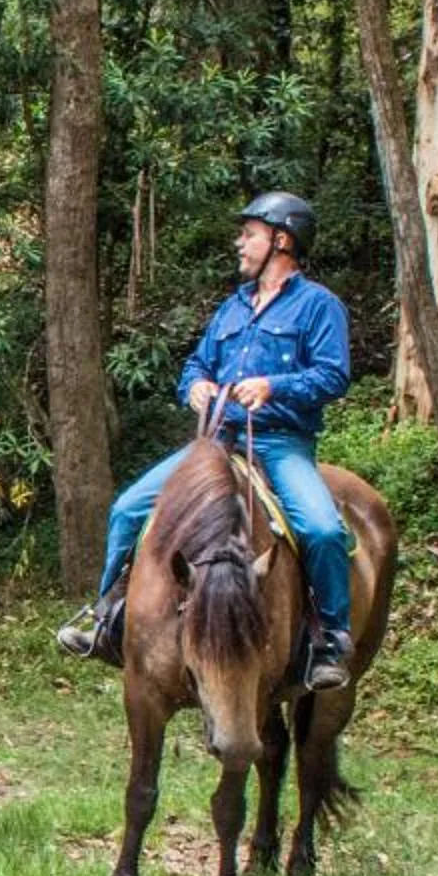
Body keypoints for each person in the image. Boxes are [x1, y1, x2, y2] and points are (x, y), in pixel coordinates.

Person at [55, 192, 357, 691]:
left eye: (250, 234)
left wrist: (273, 386)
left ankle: (330, 639)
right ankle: (107, 614)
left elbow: (333, 375)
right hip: (216, 443)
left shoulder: (318, 306)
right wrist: (193, 385)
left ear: (281, 241)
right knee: (128, 508)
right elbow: (198, 363)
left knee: (323, 530)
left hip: (280, 444)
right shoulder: (232, 307)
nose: (240, 243)